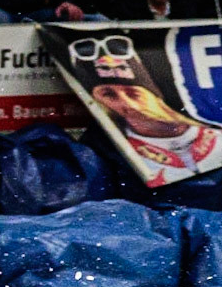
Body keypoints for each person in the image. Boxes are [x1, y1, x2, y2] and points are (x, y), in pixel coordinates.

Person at [81, 41, 222, 184]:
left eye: (134, 93)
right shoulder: (102, 147)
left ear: (157, 95)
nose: (128, 103)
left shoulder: (214, 125)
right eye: (108, 94)